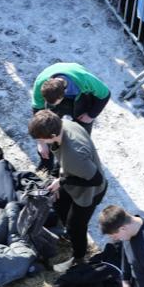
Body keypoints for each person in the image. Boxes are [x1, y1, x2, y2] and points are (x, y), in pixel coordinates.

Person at [30, 108, 108, 272]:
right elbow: (61, 157)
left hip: (89, 193)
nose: (40, 142)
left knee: (76, 227)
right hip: (73, 178)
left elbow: (96, 180)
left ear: (52, 135)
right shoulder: (63, 124)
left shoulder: (75, 155)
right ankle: (70, 232)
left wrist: (62, 181)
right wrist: (57, 178)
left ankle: (79, 256)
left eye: (42, 139)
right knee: (58, 202)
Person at [31, 62, 111, 125]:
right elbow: (37, 107)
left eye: (55, 103)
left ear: (64, 94)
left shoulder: (85, 79)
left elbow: (105, 94)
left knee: (83, 124)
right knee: (51, 124)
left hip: (82, 94)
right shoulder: (40, 83)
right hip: (62, 86)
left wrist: (90, 115)